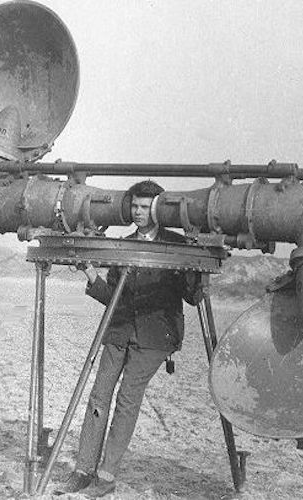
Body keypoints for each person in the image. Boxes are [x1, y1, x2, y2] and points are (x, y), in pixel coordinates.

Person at [56, 180, 203, 498]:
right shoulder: (123, 244)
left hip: (154, 336)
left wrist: (196, 262)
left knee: (126, 401)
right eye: (134, 206)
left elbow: (193, 297)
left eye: (144, 207)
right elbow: (114, 297)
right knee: (98, 396)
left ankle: (106, 476)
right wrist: (91, 275)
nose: (137, 212)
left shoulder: (179, 243)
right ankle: (83, 471)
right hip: (119, 329)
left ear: (157, 209)